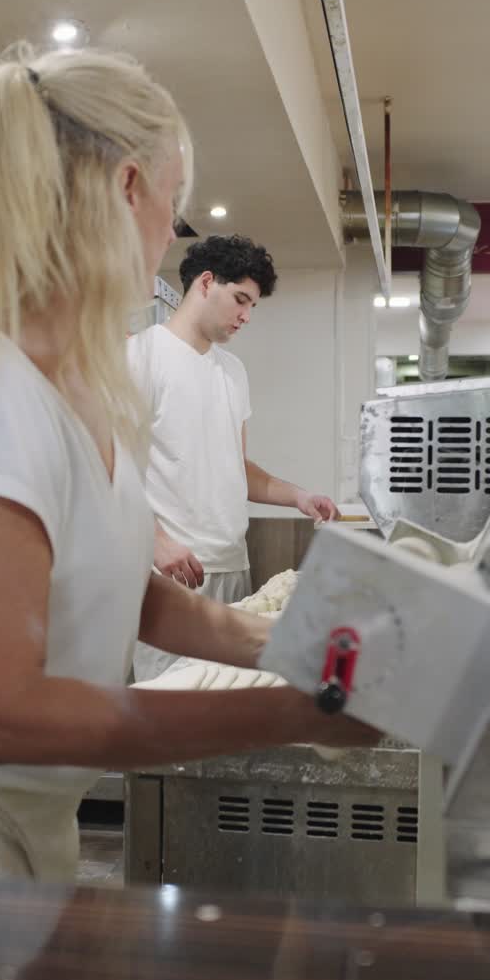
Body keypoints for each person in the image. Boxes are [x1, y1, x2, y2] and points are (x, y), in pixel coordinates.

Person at [0, 45, 378, 883]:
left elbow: (123, 593)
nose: (172, 233)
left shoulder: (76, 383)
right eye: (173, 204)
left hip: (11, 815)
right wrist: (293, 709)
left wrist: (303, 645)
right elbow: (6, 715)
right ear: (128, 187)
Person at [128, 234, 340, 681]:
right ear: (206, 283)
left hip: (233, 566)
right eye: (240, 299)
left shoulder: (232, 372)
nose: (246, 315)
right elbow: (105, 463)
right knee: (170, 710)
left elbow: (236, 467)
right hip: (171, 573)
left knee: (230, 701)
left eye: (253, 306)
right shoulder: (141, 356)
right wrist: (155, 540)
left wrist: (298, 496)